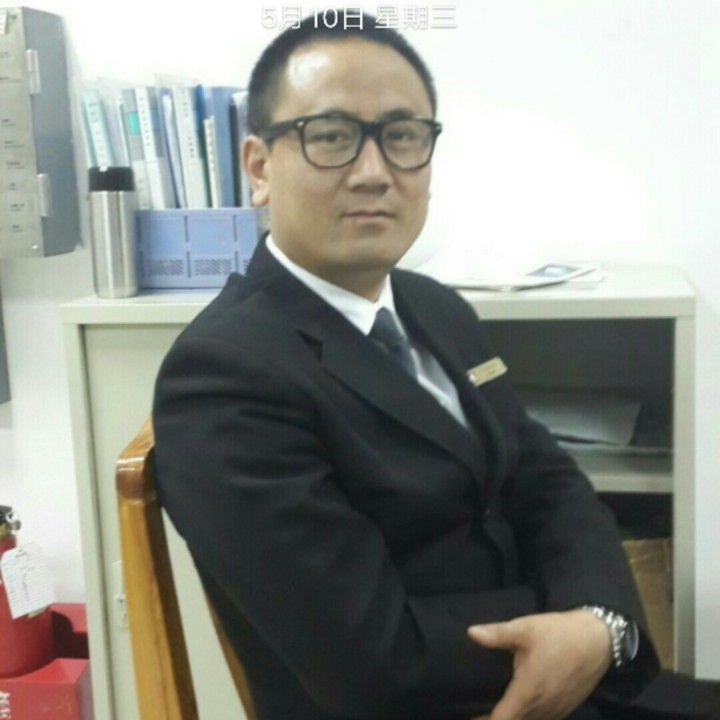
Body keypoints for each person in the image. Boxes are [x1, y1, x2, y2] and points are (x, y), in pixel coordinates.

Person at [153, 11, 719, 720]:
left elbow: (548, 483)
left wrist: (599, 623)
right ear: (260, 167)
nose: (373, 172)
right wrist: (570, 637)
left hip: (559, 680)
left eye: (402, 137)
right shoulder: (224, 376)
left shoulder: (435, 308)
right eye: (331, 136)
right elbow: (371, 660)